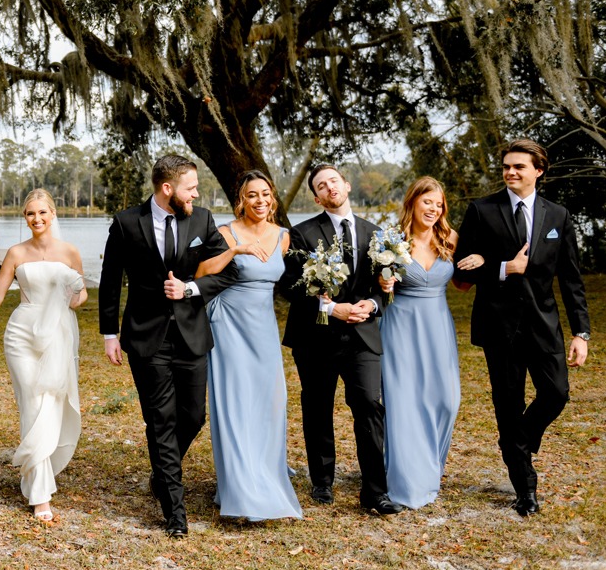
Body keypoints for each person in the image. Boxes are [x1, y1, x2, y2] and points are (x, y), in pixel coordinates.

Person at [99, 154, 237, 538]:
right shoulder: (127, 223)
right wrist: (109, 334)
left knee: (193, 417)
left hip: (192, 336)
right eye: (190, 187)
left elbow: (230, 271)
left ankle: (162, 473)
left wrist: (191, 288)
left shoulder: (202, 220)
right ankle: (175, 513)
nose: (195, 194)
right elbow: (110, 281)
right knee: (161, 421)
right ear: (167, 188)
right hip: (146, 337)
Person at [454, 139, 590, 516]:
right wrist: (501, 266)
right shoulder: (482, 210)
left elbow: (572, 279)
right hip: (500, 328)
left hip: (544, 325)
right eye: (506, 167)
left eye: (519, 167)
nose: (511, 173)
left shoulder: (558, 215)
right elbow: (459, 269)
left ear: (538, 170)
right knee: (508, 406)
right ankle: (525, 491)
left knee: (557, 393)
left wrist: (582, 332)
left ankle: (518, 440)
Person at [279, 164, 401, 514]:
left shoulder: (376, 233)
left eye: (334, 180)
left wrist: (374, 304)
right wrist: (332, 309)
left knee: (369, 406)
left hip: (362, 335)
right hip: (315, 337)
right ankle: (322, 481)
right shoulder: (301, 235)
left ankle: (375, 491)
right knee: (317, 407)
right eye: (321, 185)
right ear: (316, 197)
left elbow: (386, 286)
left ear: (346, 185)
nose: (330, 187)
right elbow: (289, 285)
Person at [0, 189, 87, 522]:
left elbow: (79, 299)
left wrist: (69, 295)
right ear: (25, 217)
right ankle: (40, 494)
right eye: (29, 214)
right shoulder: (16, 252)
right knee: (32, 403)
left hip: (56, 334)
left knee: (49, 402)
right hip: (22, 332)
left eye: (42, 213)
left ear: (53, 214)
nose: (36, 219)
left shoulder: (69, 252)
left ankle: (37, 470)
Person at [196, 171, 302, 521]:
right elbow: (201, 272)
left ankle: (267, 475)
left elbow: (288, 283)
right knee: (235, 402)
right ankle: (238, 489)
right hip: (228, 323)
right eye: (252, 195)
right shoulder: (225, 233)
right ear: (241, 199)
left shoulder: (284, 237)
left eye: (265, 194)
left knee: (270, 401)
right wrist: (236, 250)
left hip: (263, 328)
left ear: (272, 199)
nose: (260, 201)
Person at [377, 177, 474, 509]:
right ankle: (406, 478)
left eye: (439, 204)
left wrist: (484, 264)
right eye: (427, 202)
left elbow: (462, 284)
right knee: (404, 402)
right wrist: (383, 283)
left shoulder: (450, 239)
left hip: (437, 327)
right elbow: (377, 283)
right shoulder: (390, 240)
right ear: (413, 203)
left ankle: (431, 466)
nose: (433, 209)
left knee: (447, 399)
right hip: (400, 326)